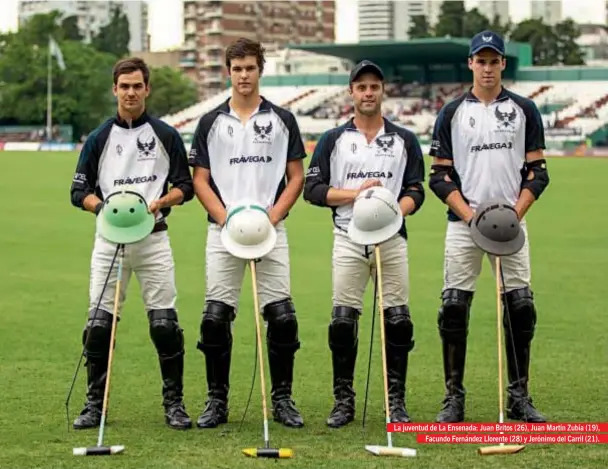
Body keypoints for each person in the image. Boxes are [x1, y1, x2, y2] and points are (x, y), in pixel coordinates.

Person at [428, 30, 550, 423]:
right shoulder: (451, 113)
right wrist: (471, 216)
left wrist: (514, 213)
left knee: (521, 306)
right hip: (463, 224)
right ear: (470, 64)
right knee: (453, 308)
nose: (486, 67)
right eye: (480, 60)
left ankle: (519, 396)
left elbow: (538, 172)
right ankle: (453, 397)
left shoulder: (524, 109)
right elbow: (440, 177)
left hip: (512, 224)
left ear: (502, 64)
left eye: (493, 60)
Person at [69, 57, 195, 430]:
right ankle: (96, 404)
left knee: (164, 324)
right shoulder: (98, 138)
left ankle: (175, 403)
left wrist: (162, 202)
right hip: (110, 240)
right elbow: (79, 190)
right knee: (98, 324)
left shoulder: (165, 135)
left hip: (153, 239)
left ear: (147, 89)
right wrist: (103, 206)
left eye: (137, 85)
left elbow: (184, 186)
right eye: (124, 86)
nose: (131, 92)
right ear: (115, 90)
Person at [188, 38, 306, 429]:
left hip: (271, 230)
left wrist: (272, 216)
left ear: (260, 70)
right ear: (228, 72)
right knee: (215, 318)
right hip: (223, 232)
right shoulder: (210, 122)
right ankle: (216, 401)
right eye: (236, 69)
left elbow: (296, 176)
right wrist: (226, 219)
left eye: (250, 68)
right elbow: (200, 180)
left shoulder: (282, 120)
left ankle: (283, 399)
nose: (243, 75)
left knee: (283, 317)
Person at [303, 60, 426, 428]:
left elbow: (416, 190)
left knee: (398, 320)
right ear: (351, 92)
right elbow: (313, 189)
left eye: (374, 86)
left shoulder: (404, 139)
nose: (368, 93)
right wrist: (357, 195)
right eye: (361, 87)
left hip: (391, 239)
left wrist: (393, 210)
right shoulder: (332, 139)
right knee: (343, 322)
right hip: (347, 237)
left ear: (382, 91)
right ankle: (344, 400)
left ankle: (396, 401)